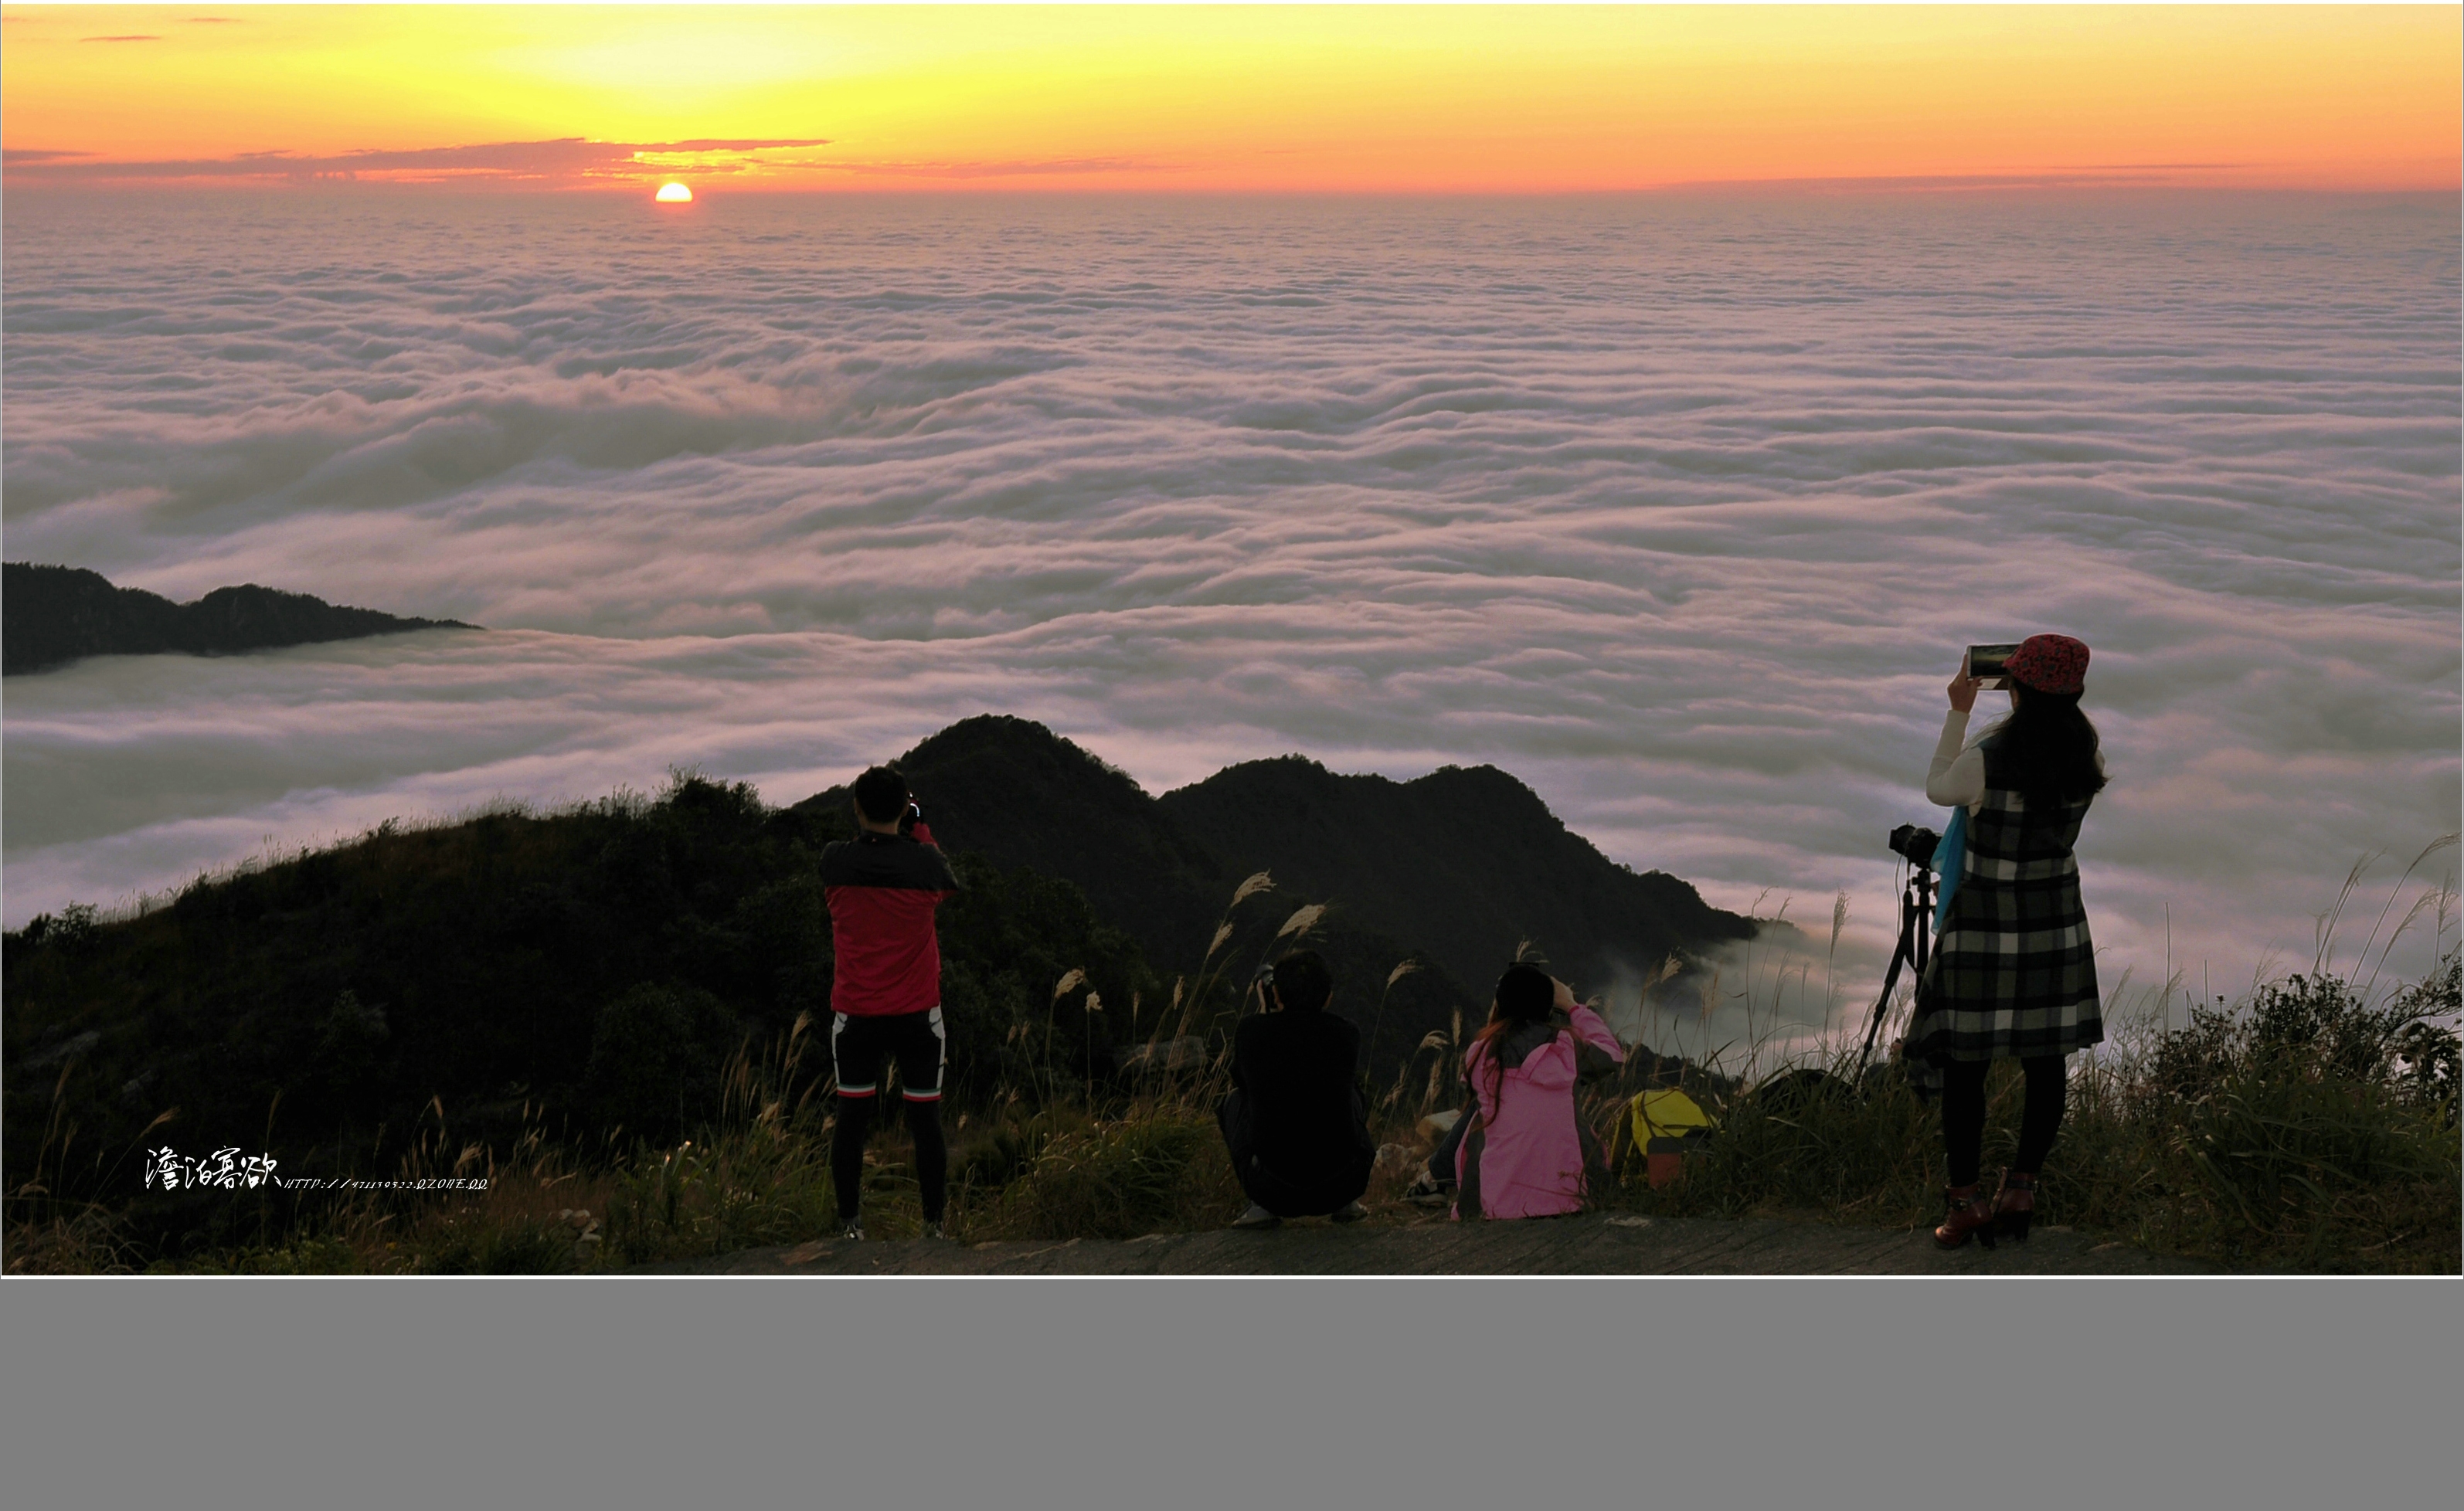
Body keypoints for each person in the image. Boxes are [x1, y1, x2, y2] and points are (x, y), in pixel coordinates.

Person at [1909, 633, 2107, 1250]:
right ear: (2073, 690)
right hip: (2053, 920)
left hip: (1985, 924)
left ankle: (1965, 1201)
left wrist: (1958, 710)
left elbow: (1940, 787)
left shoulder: (1987, 758)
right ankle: (2021, 1187)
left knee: (1965, 1066)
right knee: (2045, 1061)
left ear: (2014, 687)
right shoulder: (2083, 755)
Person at [820, 764, 961, 1241]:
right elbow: (944, 881)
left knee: (852, 1119)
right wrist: (918, 825)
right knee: (926, 1120)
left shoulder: (834, 862)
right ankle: (933, 1226)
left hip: (855, 1017)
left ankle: (849, 1227)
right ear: (904, 807)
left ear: (856, 807)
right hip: (917, 1016)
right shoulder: (926, 865)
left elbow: (856, 859)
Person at [1218, 950, 1376, 1229]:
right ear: (1328, 997)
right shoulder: (1347, 1034)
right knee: (1352, 1092)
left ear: (1275, 993)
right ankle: (1346, 1207)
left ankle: (1260, 1208)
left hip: (1271, 1190)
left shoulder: (1251, 1031)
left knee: (1234, 1101)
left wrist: (1267, 1013)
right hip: (1344, 1184)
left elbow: (1242, 1082)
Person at [1453, 964, 1625, 1221]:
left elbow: (1471, 1083)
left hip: (1498, 1207)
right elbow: (1612, 1054)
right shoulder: (1567, 1048)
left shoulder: (1479, 1055)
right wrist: (1573, 1007)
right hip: (1575, 1199)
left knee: (1482, 1119)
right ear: (1549, 1007)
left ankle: (1464, 1203)